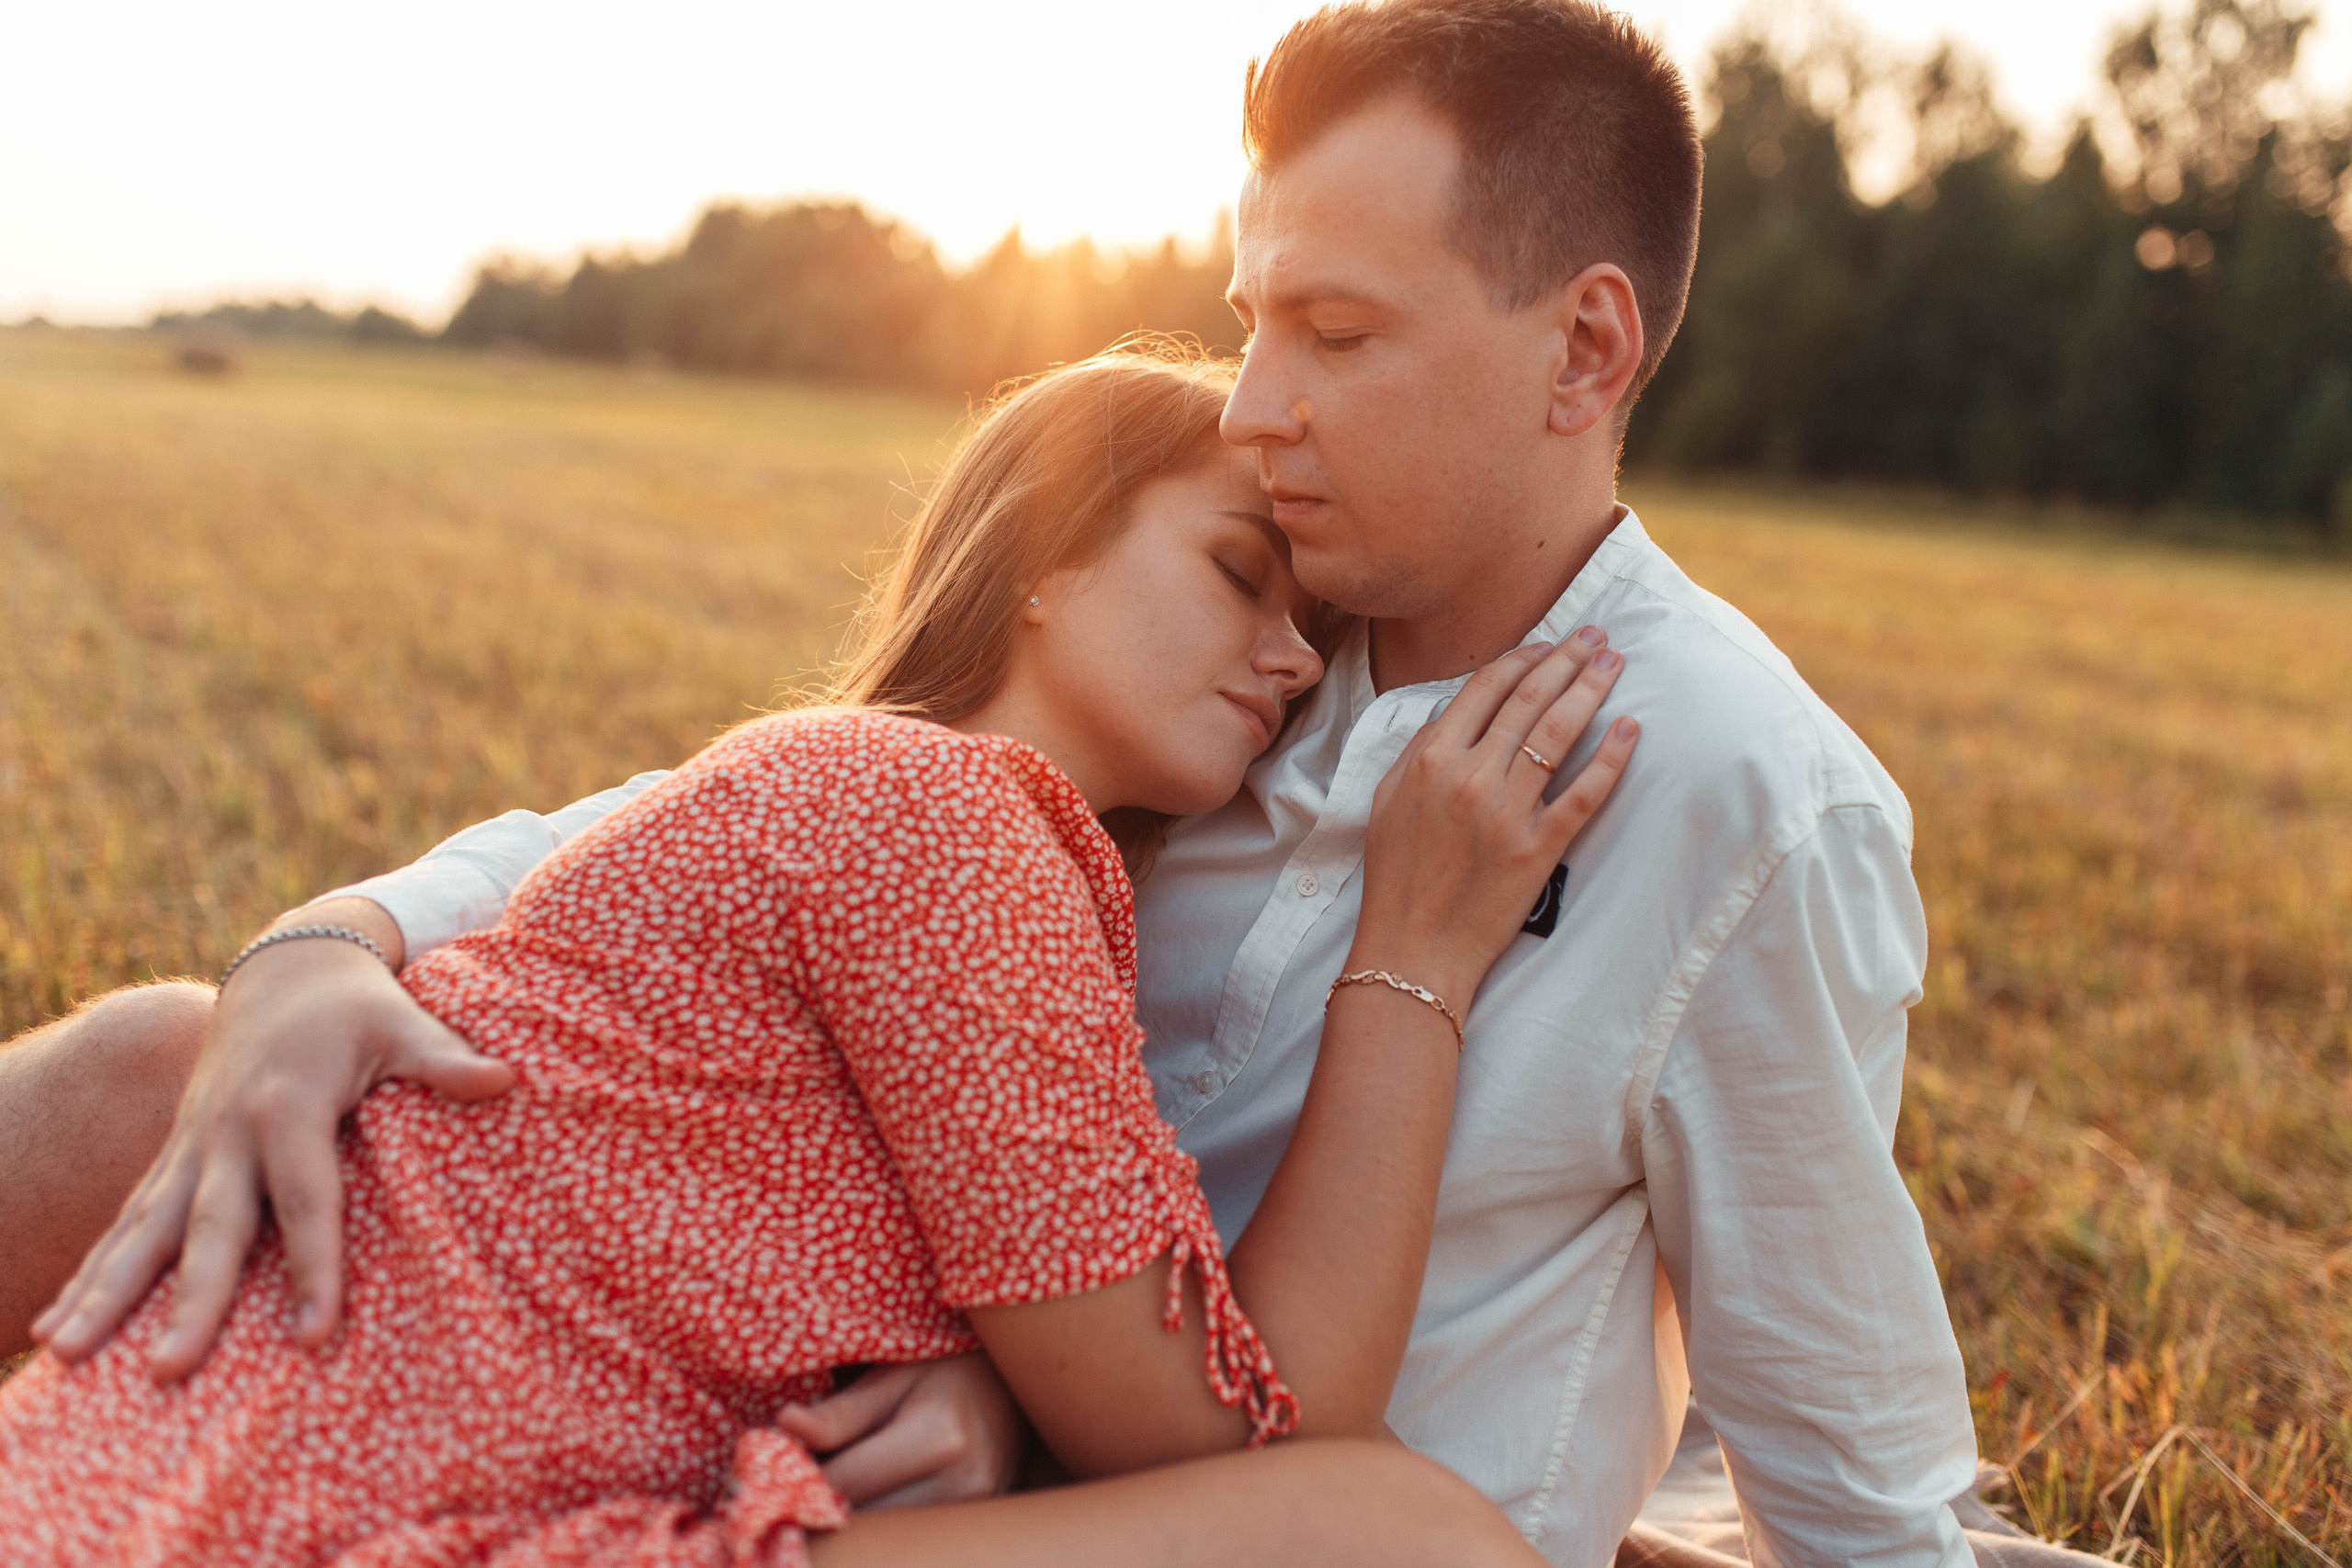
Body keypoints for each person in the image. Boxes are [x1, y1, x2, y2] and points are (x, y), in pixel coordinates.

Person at [3, 1, 2077, 1563]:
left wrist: (1060, 1381)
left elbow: (1845, 1458)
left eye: (1333, 333)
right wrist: (313, 944)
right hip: (907, 1407)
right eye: (1250, 316)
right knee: (160, 1061)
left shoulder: (1741, 794)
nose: (1255, 404)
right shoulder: (1137, 711)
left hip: (1239, 1501)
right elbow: (672, 843)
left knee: (1395, 1528)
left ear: (1583, 349)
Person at [0, 347, 1640, 1565]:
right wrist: (1415, 949)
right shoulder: (940, 823)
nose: (1290, 657)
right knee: (1395, 1536)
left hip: (357, 1469)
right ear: (1051, 556)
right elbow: (1230, 1419)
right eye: (1236, 573)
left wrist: (987, 1383)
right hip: (364, 1501)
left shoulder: (897, 809)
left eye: (1313, 632)